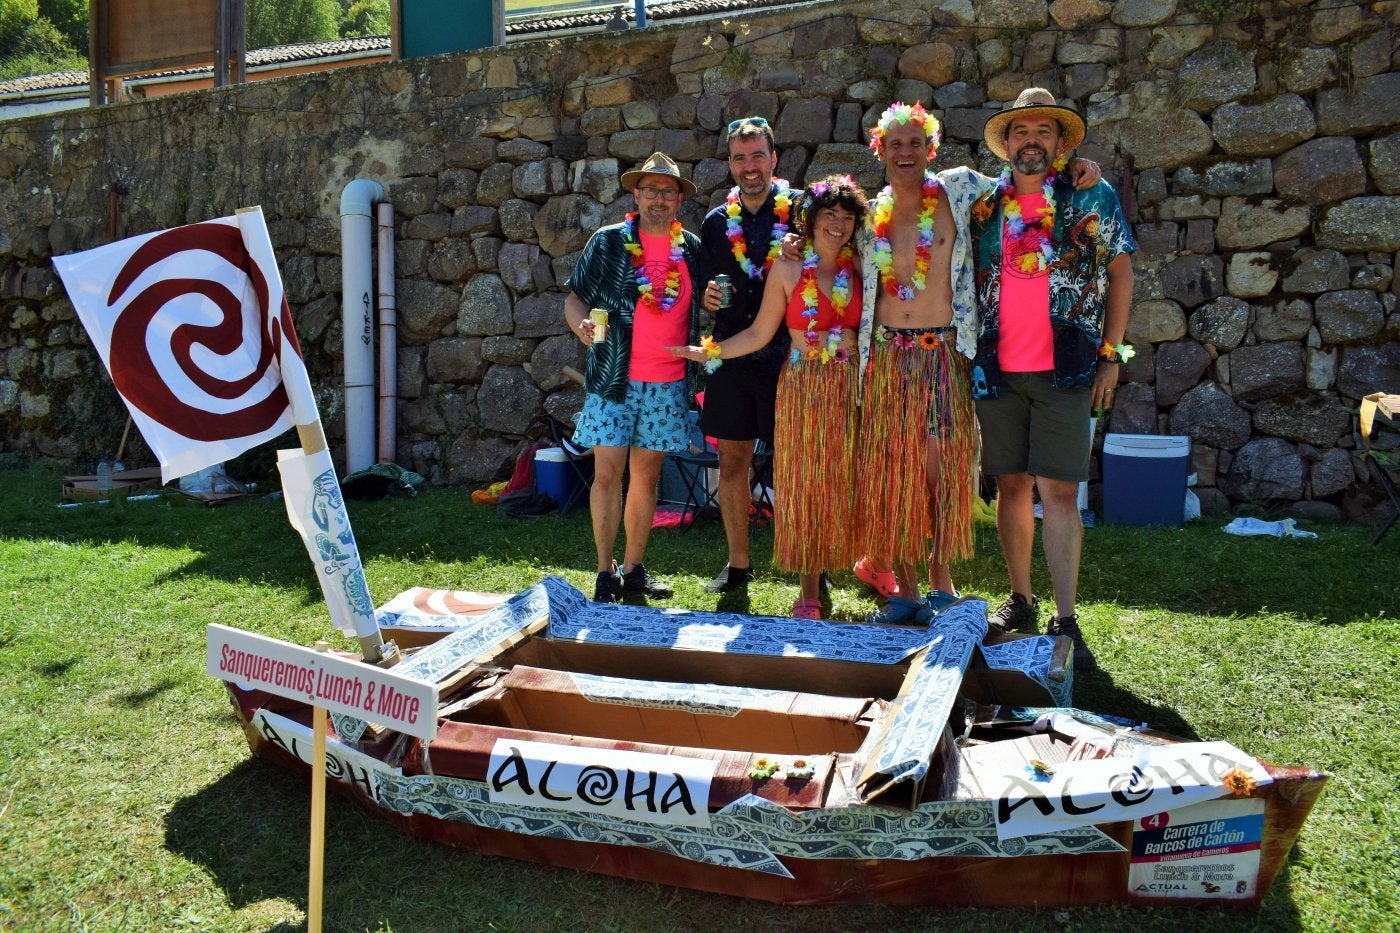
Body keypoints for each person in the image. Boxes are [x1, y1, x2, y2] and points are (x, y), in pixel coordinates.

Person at [783, 103, 1100, 626]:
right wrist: (797, 245)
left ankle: (941, 583)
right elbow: (830, 247)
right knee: (893, 472)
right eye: (895, 143)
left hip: (946, 352)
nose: (904, 152)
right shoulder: (867, 215)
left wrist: (1076, 165)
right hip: (885, 355)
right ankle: (904, 591)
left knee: (941, 471)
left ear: (930, 148)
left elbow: (1025, 171)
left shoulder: (961, 190)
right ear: (879, 150)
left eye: (915, 143)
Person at [969, 88, 1136, 669]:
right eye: (1020, 132)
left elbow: (1121, 273)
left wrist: (1112, 354)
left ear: (1060, 143)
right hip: (999, 369)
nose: (1031, 141)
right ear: (1007, 144)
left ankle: (1066, 616)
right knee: (1012, 486)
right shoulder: (985, 205)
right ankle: (1021, 599)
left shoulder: (1092, 193)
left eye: (1043, 131)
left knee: (1059, 492)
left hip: (1068, 367)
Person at [671, 176, 866, 618]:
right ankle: (810, 590)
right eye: (829, 215)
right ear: (810, 220)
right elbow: (760, 332)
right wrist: (710, 351)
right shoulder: (788, 267)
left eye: (846, 217)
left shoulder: (865, 264)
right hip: (802, 384)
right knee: (803, 482)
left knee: (849, 478)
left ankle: (862, 564)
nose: (837, 224)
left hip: (851, 383)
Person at [563, 152, 703, 603]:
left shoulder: (693, 249)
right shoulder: (607, 243)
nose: (658, 199)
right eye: (650, 190)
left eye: (667, 190)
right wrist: (581, 326)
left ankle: (635, 569)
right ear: (635, 194)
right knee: (607, 474)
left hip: (667, 383)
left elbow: (706, 306)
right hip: (612, 378)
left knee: (646, 478)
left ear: (679, 198)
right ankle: (605, 574)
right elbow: (574, 300)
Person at [695, 116, 797, 595]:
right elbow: (702, 285)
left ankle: (809, 569)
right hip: (732, 356)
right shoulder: (715, 223)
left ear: (774, 159)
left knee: (798, 465)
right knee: (732, 464)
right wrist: (706, 299)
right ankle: (738, 566)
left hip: (790, 358)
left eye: (758, 155)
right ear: (730, 164)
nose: (749, 166)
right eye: (739, 157)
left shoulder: (801, 211)